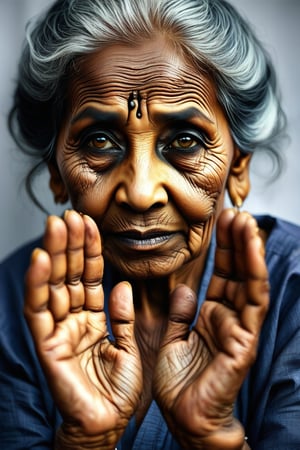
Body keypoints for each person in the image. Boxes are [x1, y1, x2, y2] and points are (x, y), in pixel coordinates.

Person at [0, 0, 299, 448]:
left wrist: (213, 437)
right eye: (100, 141)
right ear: (55, 172)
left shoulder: (293, 293)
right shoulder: (14, 302)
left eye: (185, 141)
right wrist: (86, 440)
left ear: (238, 166)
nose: (141, 193)